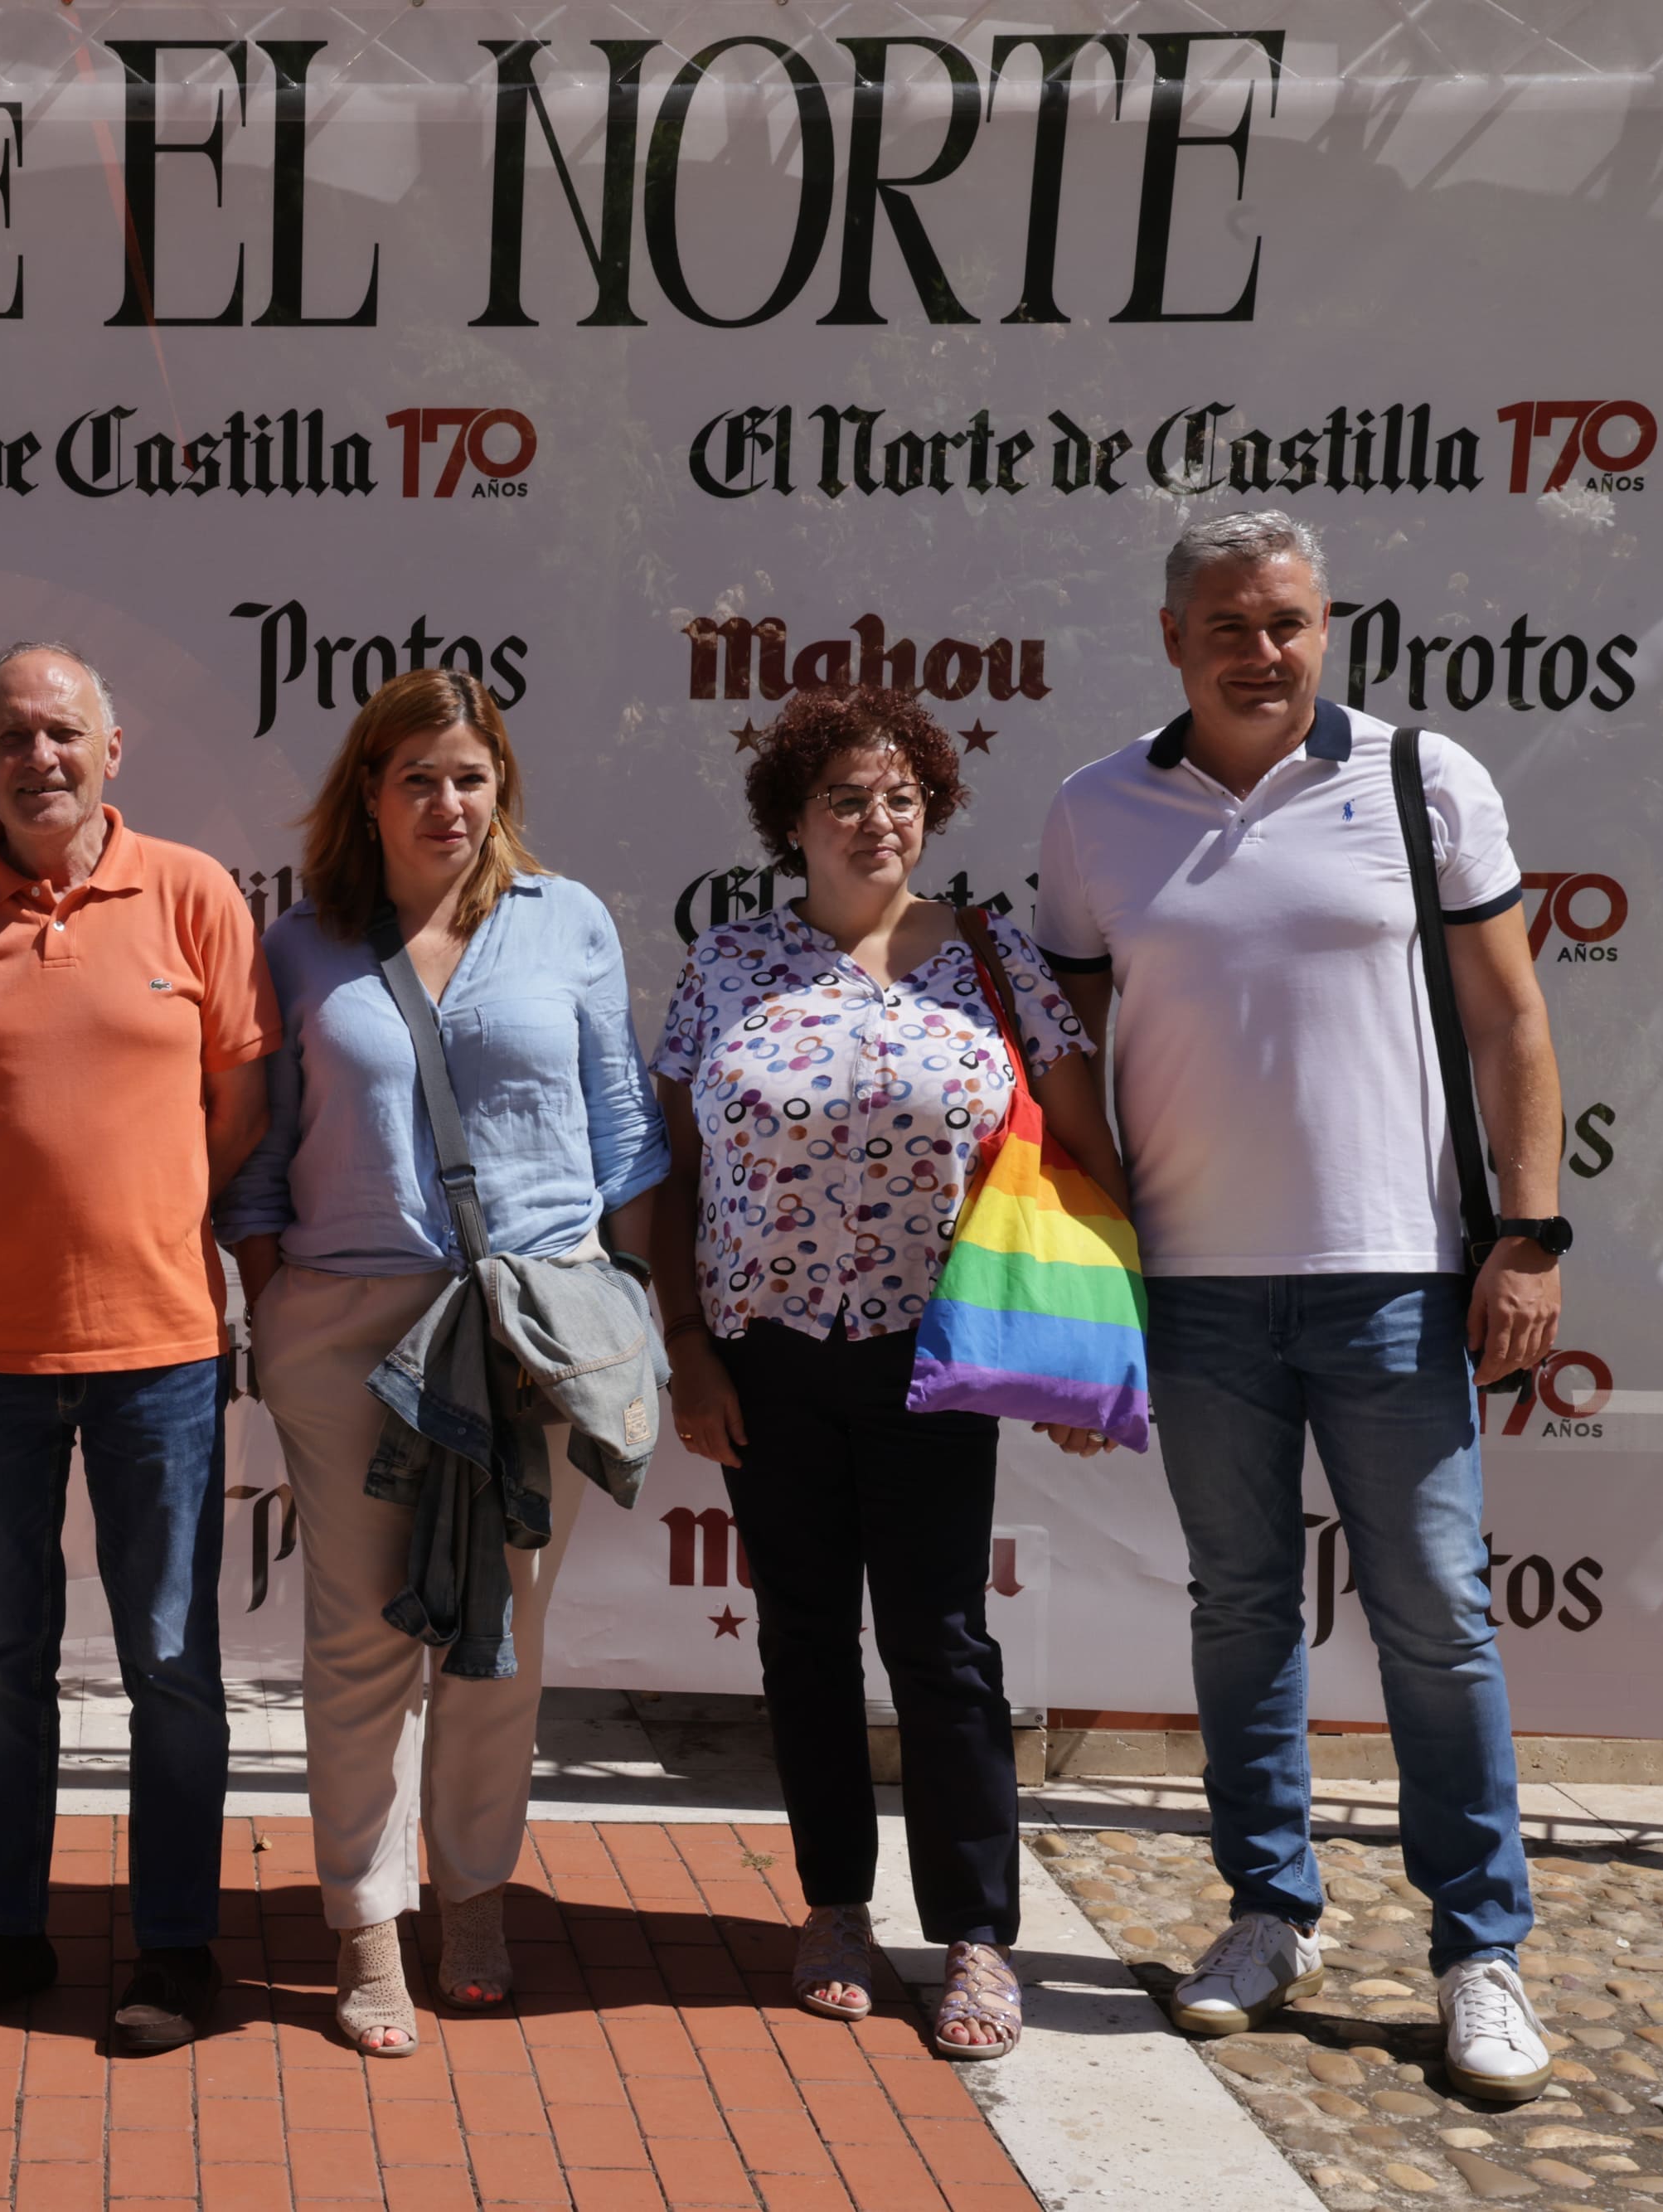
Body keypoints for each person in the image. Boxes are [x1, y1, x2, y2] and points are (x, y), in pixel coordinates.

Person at [1035, 512, 1564, 2098]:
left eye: (1287, 622)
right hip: (1193, 1290)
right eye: (1227, 626)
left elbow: (1515, 1022)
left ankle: (1479, 1950)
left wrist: (1528, 1235)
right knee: (1241, 1608)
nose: (1260, 651)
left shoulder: (1423, 780)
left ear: (1325, 624)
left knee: (1439, 1621)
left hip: (1397, 1278)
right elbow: (1074, 1053)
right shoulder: (1093, 812)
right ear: (1171, 637)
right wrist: (1087, 1264)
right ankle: (1269, 1911)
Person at [648, 684, 1127, 2062]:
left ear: (932, 812)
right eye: (846, 800)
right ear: (790, 822)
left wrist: (1092, 1362)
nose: (878, 821)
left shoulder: (991, 955)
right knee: (805, 1639)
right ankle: (837, 1906)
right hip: (768, 1355)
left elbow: (1082, 1150)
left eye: (902, 796)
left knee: (943, 1647)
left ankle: (976, 1932)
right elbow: (676, 1179)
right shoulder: (729, 965)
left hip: (936, 1357)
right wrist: (689, 1348)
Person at [216, 669, 666, 2056]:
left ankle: (473, 1895)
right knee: (359, 1643)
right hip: (353, 1329)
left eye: (470, 776)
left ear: (502, 788)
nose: (448, 803)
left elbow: (622, 1126)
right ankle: (363, 1923)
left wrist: (639, 1304)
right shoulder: (302, 945)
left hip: (535, 1327)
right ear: (369, 790)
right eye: (417, 776)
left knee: (497, 1643)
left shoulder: (568, 921)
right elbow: (259, 1152)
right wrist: (277, 1295)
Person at [0, 641, 278, 2055]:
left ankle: (174, 1947)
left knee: (169, 1658)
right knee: (2, 1661)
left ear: (114, 750)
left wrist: (133, 1226)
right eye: (9, 740)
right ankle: (8, 1937)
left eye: (62, 734)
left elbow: (235, 1113)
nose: (38, 758)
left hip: (160, 1347)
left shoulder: (196, 896)